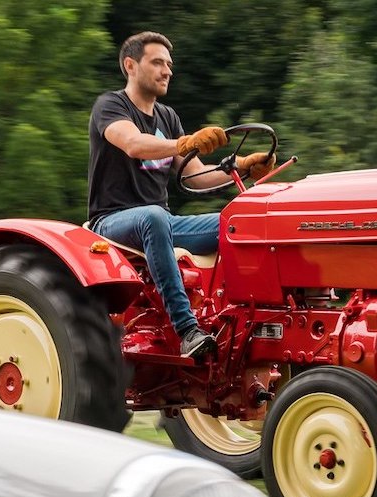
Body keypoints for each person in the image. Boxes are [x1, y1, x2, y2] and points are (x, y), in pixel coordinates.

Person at [87, 31, 272, 359]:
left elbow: (195, 176)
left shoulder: (167, 117)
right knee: (154, 217)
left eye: (169, 64)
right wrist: (184, 143)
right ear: (130, 65)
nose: (167, 71)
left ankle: (246, 324)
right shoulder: (111, 106)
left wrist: (241, 166)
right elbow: (134, 144)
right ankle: (186, 330)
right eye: (157, 62)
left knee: (237, 224)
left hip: (162, 224)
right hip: (112, 222)